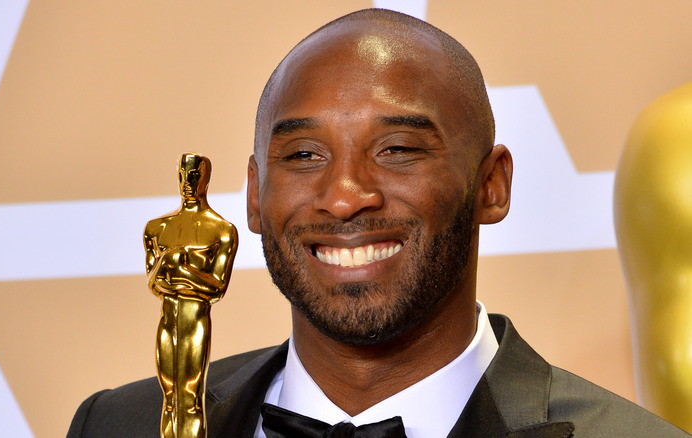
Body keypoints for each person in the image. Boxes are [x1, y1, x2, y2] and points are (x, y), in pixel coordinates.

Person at [67, 9, 691, 438]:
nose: (344, 198)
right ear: (255, 197)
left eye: (397, 151)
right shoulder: (120, 425)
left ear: (491, 186)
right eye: (304, 156)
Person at [143, 153, 238, 438]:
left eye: (195, 174)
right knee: (170, 396)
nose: (188, 181)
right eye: (184, 174)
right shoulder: (157, 228)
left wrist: (180, 270)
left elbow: (217, 287)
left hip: (195, 317)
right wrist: (167, 264)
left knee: (189, 395)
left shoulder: (221, 231)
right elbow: (154, 282)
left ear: (205, 178)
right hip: (168, 317)